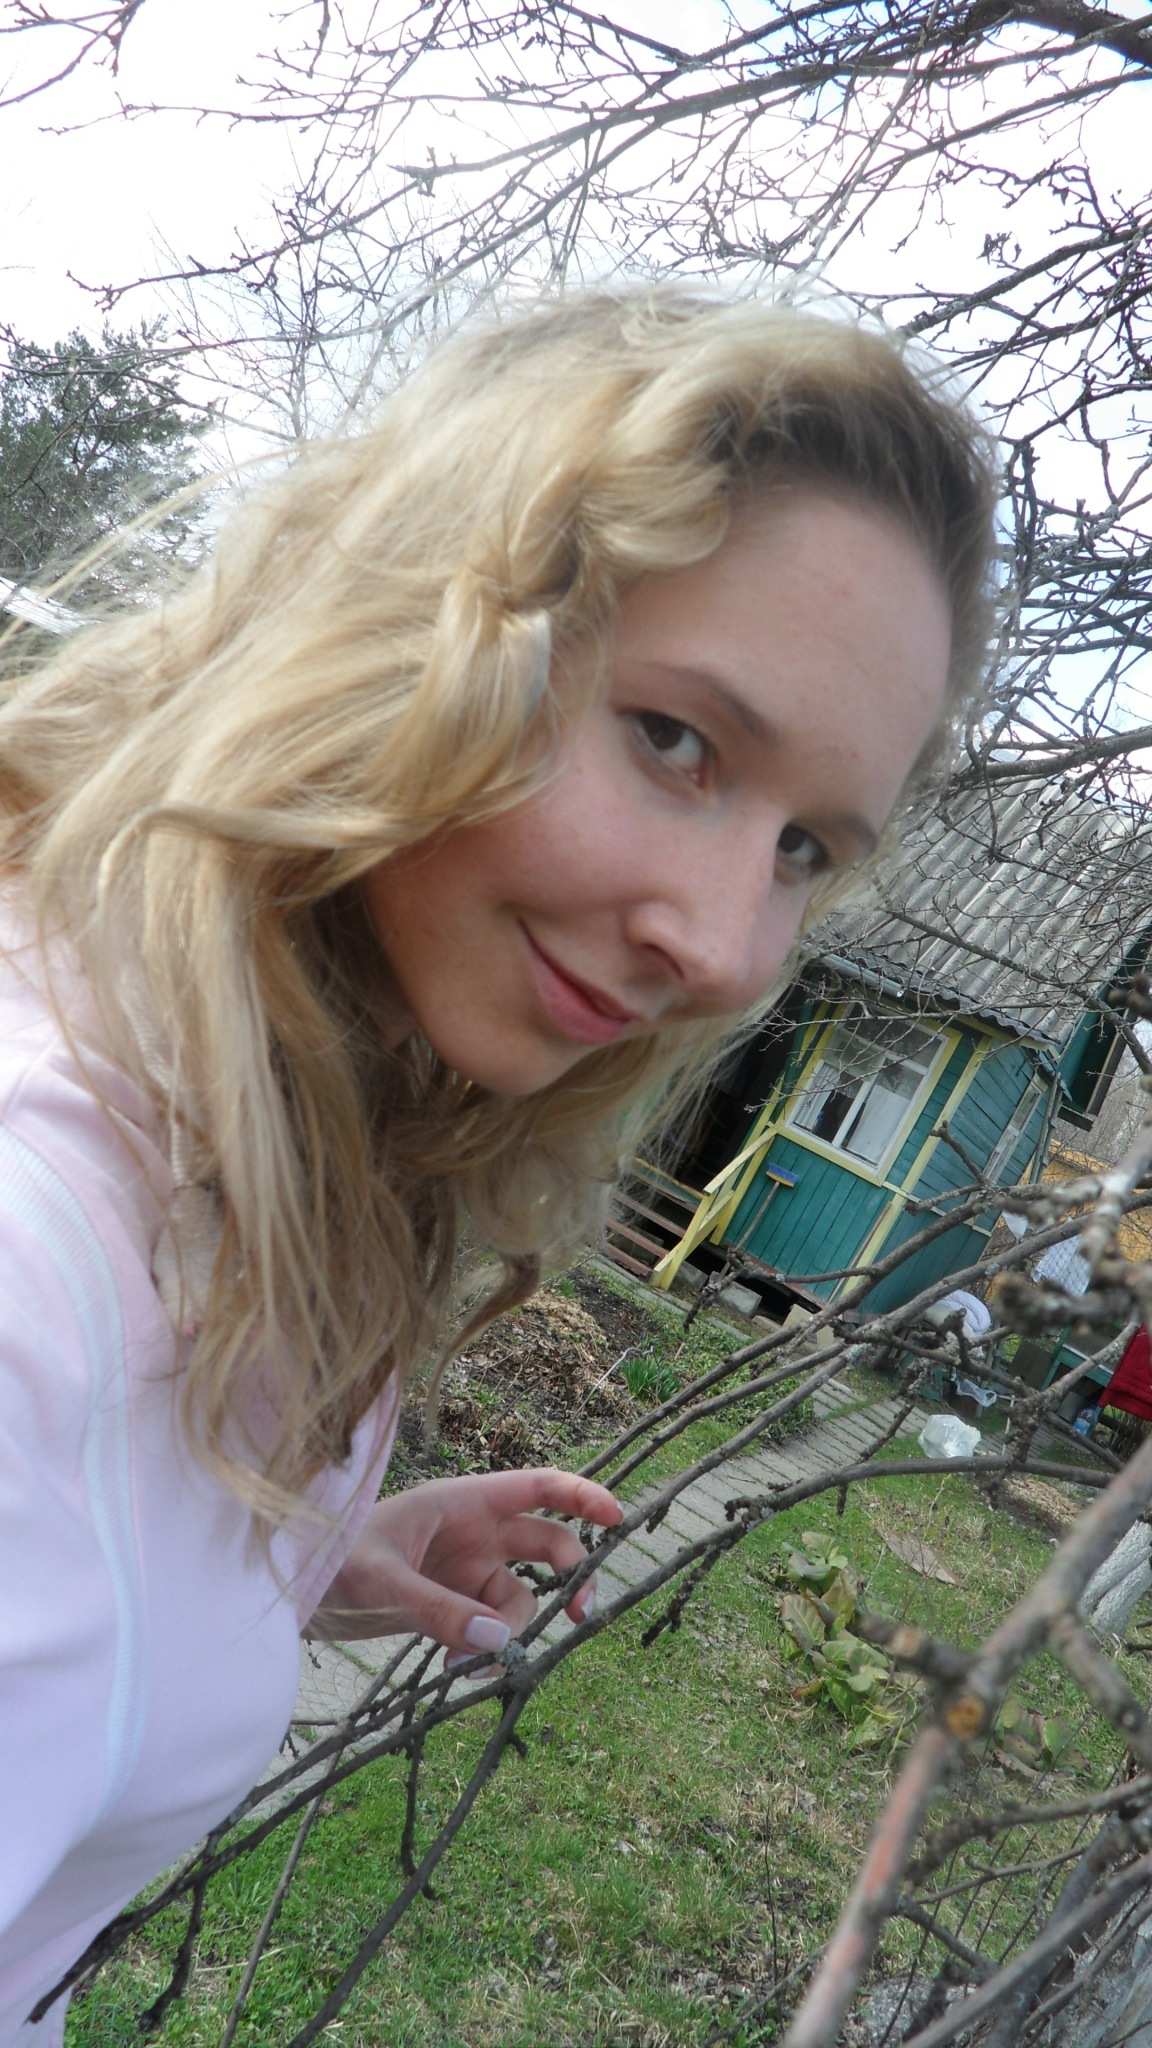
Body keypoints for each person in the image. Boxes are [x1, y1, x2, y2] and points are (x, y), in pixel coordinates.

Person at [0, 287, 996, 2041]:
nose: (723, 948)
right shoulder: (32, 1257)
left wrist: (283, 1559)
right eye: (675, 738)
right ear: (420, 624)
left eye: (803, 849)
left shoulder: (283, 1146)